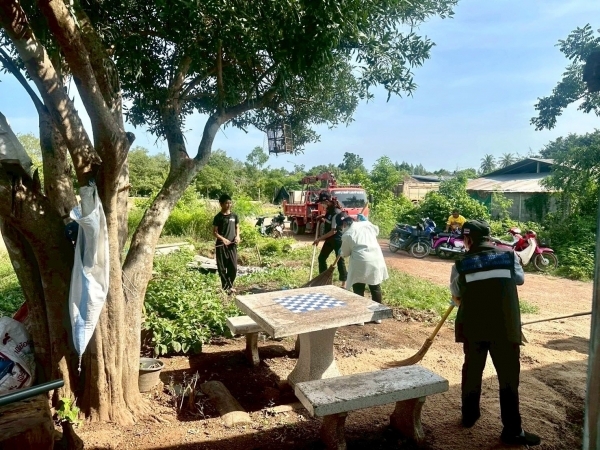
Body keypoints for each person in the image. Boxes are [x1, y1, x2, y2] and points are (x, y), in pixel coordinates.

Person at [449, 220, 541, 447]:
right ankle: (512, 431)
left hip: (474, 327)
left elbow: (457, 292)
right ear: (489, 237)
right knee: (508, 379)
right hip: (505, 327)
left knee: (472, 371)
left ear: (468, 239)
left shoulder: (461, 263)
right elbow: (519, 280)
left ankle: (469, 416)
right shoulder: (509, 256)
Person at [340, 216, 388, 322]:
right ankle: (377, 317)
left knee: (358, 287)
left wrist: (341, 252)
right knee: (375, 286)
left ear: (345, 225)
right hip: (376, 259)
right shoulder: (366, 224)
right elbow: (376, 230)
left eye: (342, 226)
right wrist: (366, 221)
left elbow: (345, 253)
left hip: (360, 261)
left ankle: (360, 318)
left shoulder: (347, 234)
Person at [312, 192, 347, 288]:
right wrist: (322, 217)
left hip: (337, 240)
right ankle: (323, 279)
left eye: (322, 203)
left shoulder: (336, 212)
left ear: (327, 201)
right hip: (329, 240)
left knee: (339, 260)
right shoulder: (329, 210)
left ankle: (344, 283)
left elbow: (333, 231)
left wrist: (319, 239)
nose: (321, 205)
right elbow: (329, 221)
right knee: (321, 258)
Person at [212, 194, 240, 293]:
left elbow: (237, 227)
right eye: (226, 203)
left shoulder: (234, 216)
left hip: (232, 245)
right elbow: (214, 232)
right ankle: (226, 287)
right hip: (221, 246)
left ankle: (230, 284)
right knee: (222, 268)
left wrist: (238, 236)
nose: (229, 205)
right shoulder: (218, 217)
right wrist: (223, 239)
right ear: (221, 204)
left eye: (230, 203)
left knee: (233, 267)